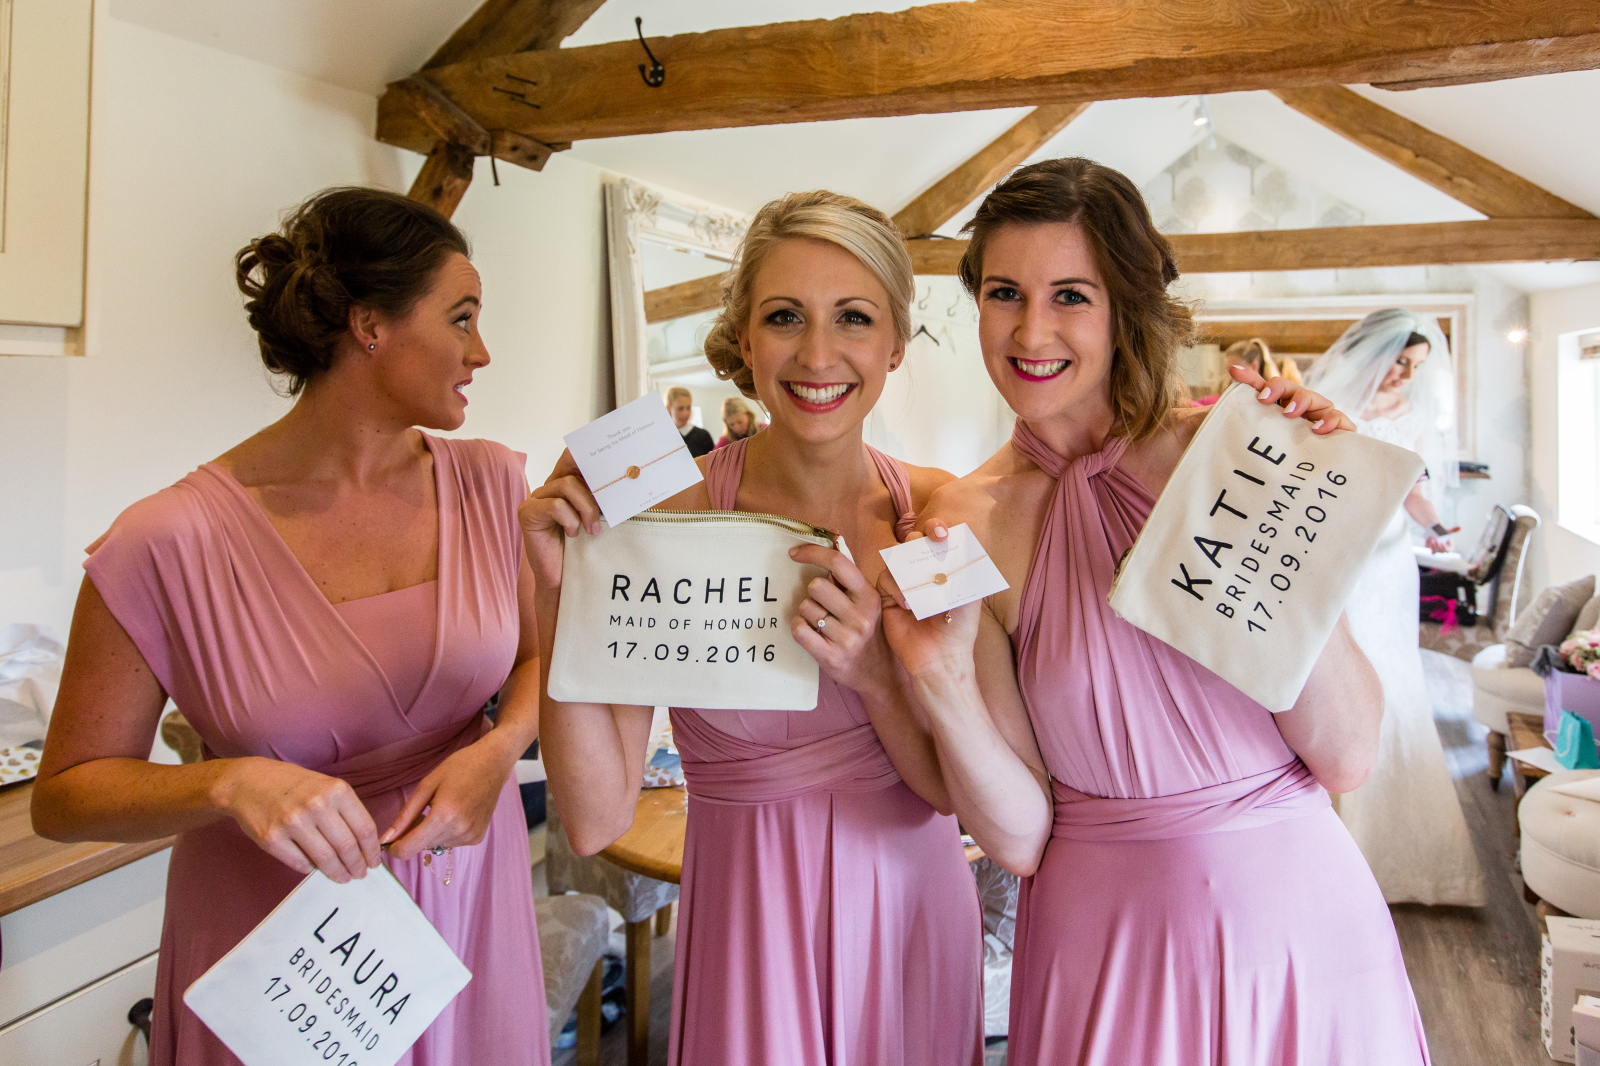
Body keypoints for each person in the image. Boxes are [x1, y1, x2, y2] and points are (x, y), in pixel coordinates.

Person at [879, 158, 1430, 1064]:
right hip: (1104, 944)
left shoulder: (1234, 450)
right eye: (1005, 293)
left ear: (1126, 306)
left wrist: (1290, 492)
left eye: (1070, 296)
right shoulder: (961, 523)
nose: (1031, 330)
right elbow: (1017, 836)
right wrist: (939, 682)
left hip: (1301, 930)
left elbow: (1346, 754)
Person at [31, 188, 547, 1066]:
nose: (481, 351)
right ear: (369, 325)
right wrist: (228, 783)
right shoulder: (167, 541)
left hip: (467, 906)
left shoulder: (492, 485)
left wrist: (499, 752)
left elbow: (537, 658)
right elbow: (65, 796)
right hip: (279, 952)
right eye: (462, 318)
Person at [524, 191, 983, 1066]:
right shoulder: (665, 512)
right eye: (784, 317)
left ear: (895, 341)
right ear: (744, 336)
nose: (818, 354)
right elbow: (589, 820)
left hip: (909, 915)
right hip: (745, 922)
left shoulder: (938, 513)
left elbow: (960, 793)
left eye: (853, 317)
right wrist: (559, 594)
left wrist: (874, 675)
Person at [1303, 308, 1485, 906]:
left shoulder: (1411, 416)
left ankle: (1396, 853)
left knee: (1392, 682)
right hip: (1334, 557)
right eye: (1400, 361)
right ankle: (1328, 843)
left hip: (1387, 565)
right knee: (1332, 680)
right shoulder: (1324, 404)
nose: (1405, 374)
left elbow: (1413, 487)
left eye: (1415, 366)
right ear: (1372, 351)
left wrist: (1437, 528)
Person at [666, 385, 716, 457]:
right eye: (680, 408)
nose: (685, 413)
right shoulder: (665, 437)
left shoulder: (703, 436)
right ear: (668, 408)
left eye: (688, 408)